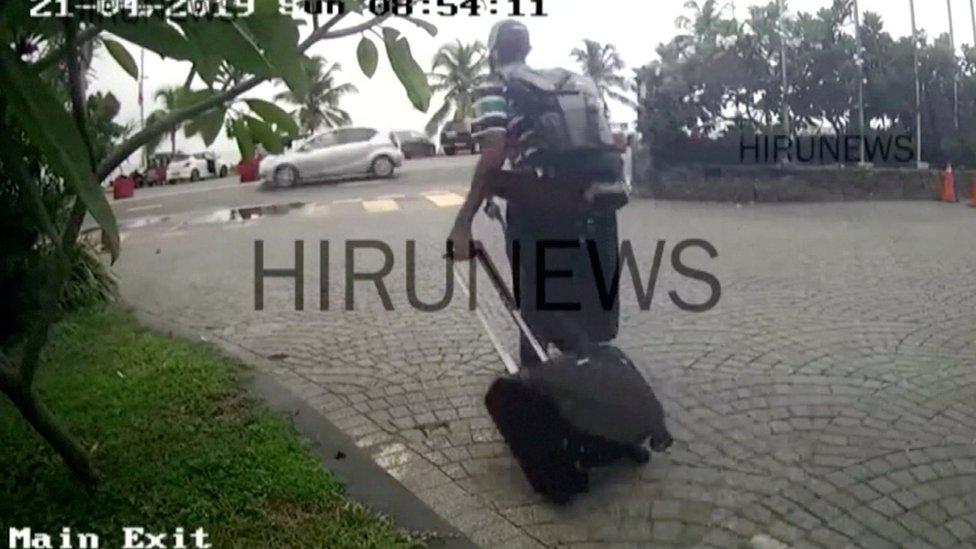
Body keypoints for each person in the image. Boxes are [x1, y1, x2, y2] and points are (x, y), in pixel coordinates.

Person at [448, 20, 624, 368]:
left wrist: (462, 223)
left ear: (493, 53)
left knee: (534, 297)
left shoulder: (496, 83)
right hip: (596, 201)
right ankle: (588, 362)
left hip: (542, 208)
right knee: (578, 293)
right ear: (527, 50)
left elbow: (493, 153)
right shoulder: (568, 81)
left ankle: (541, 378)